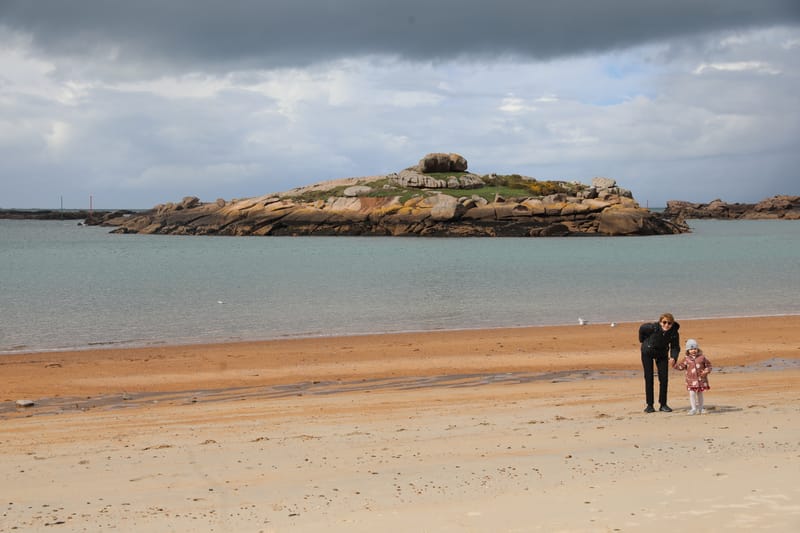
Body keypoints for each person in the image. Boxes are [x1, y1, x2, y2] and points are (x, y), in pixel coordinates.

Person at [638, 313, 680, 413]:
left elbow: (675, 346)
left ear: (672, 324)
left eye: (669, 323)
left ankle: (663, 404)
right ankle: (650, 405)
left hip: (662, 354)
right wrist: (642, 340)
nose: (666, 325)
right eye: (664, 322)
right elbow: (642, 329)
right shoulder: (652, 327)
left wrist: (674, 357)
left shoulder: (674, 332)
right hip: (647, 352)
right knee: (649, 378)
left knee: (664, 379)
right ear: (660, 322)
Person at [674, 339, 712, 415]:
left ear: (697, 349)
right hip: (691, 380)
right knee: (692, 393)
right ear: (688, 350)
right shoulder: (686, 359)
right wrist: (673, 365)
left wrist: (706, 371)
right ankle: (693, 408)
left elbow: (709, 366)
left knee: (700, 394)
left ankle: (701, 408)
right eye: (691, 349)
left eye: (695, 349)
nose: (693, 351)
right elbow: (681, 367)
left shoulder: (702, 357)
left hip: (701, 380)